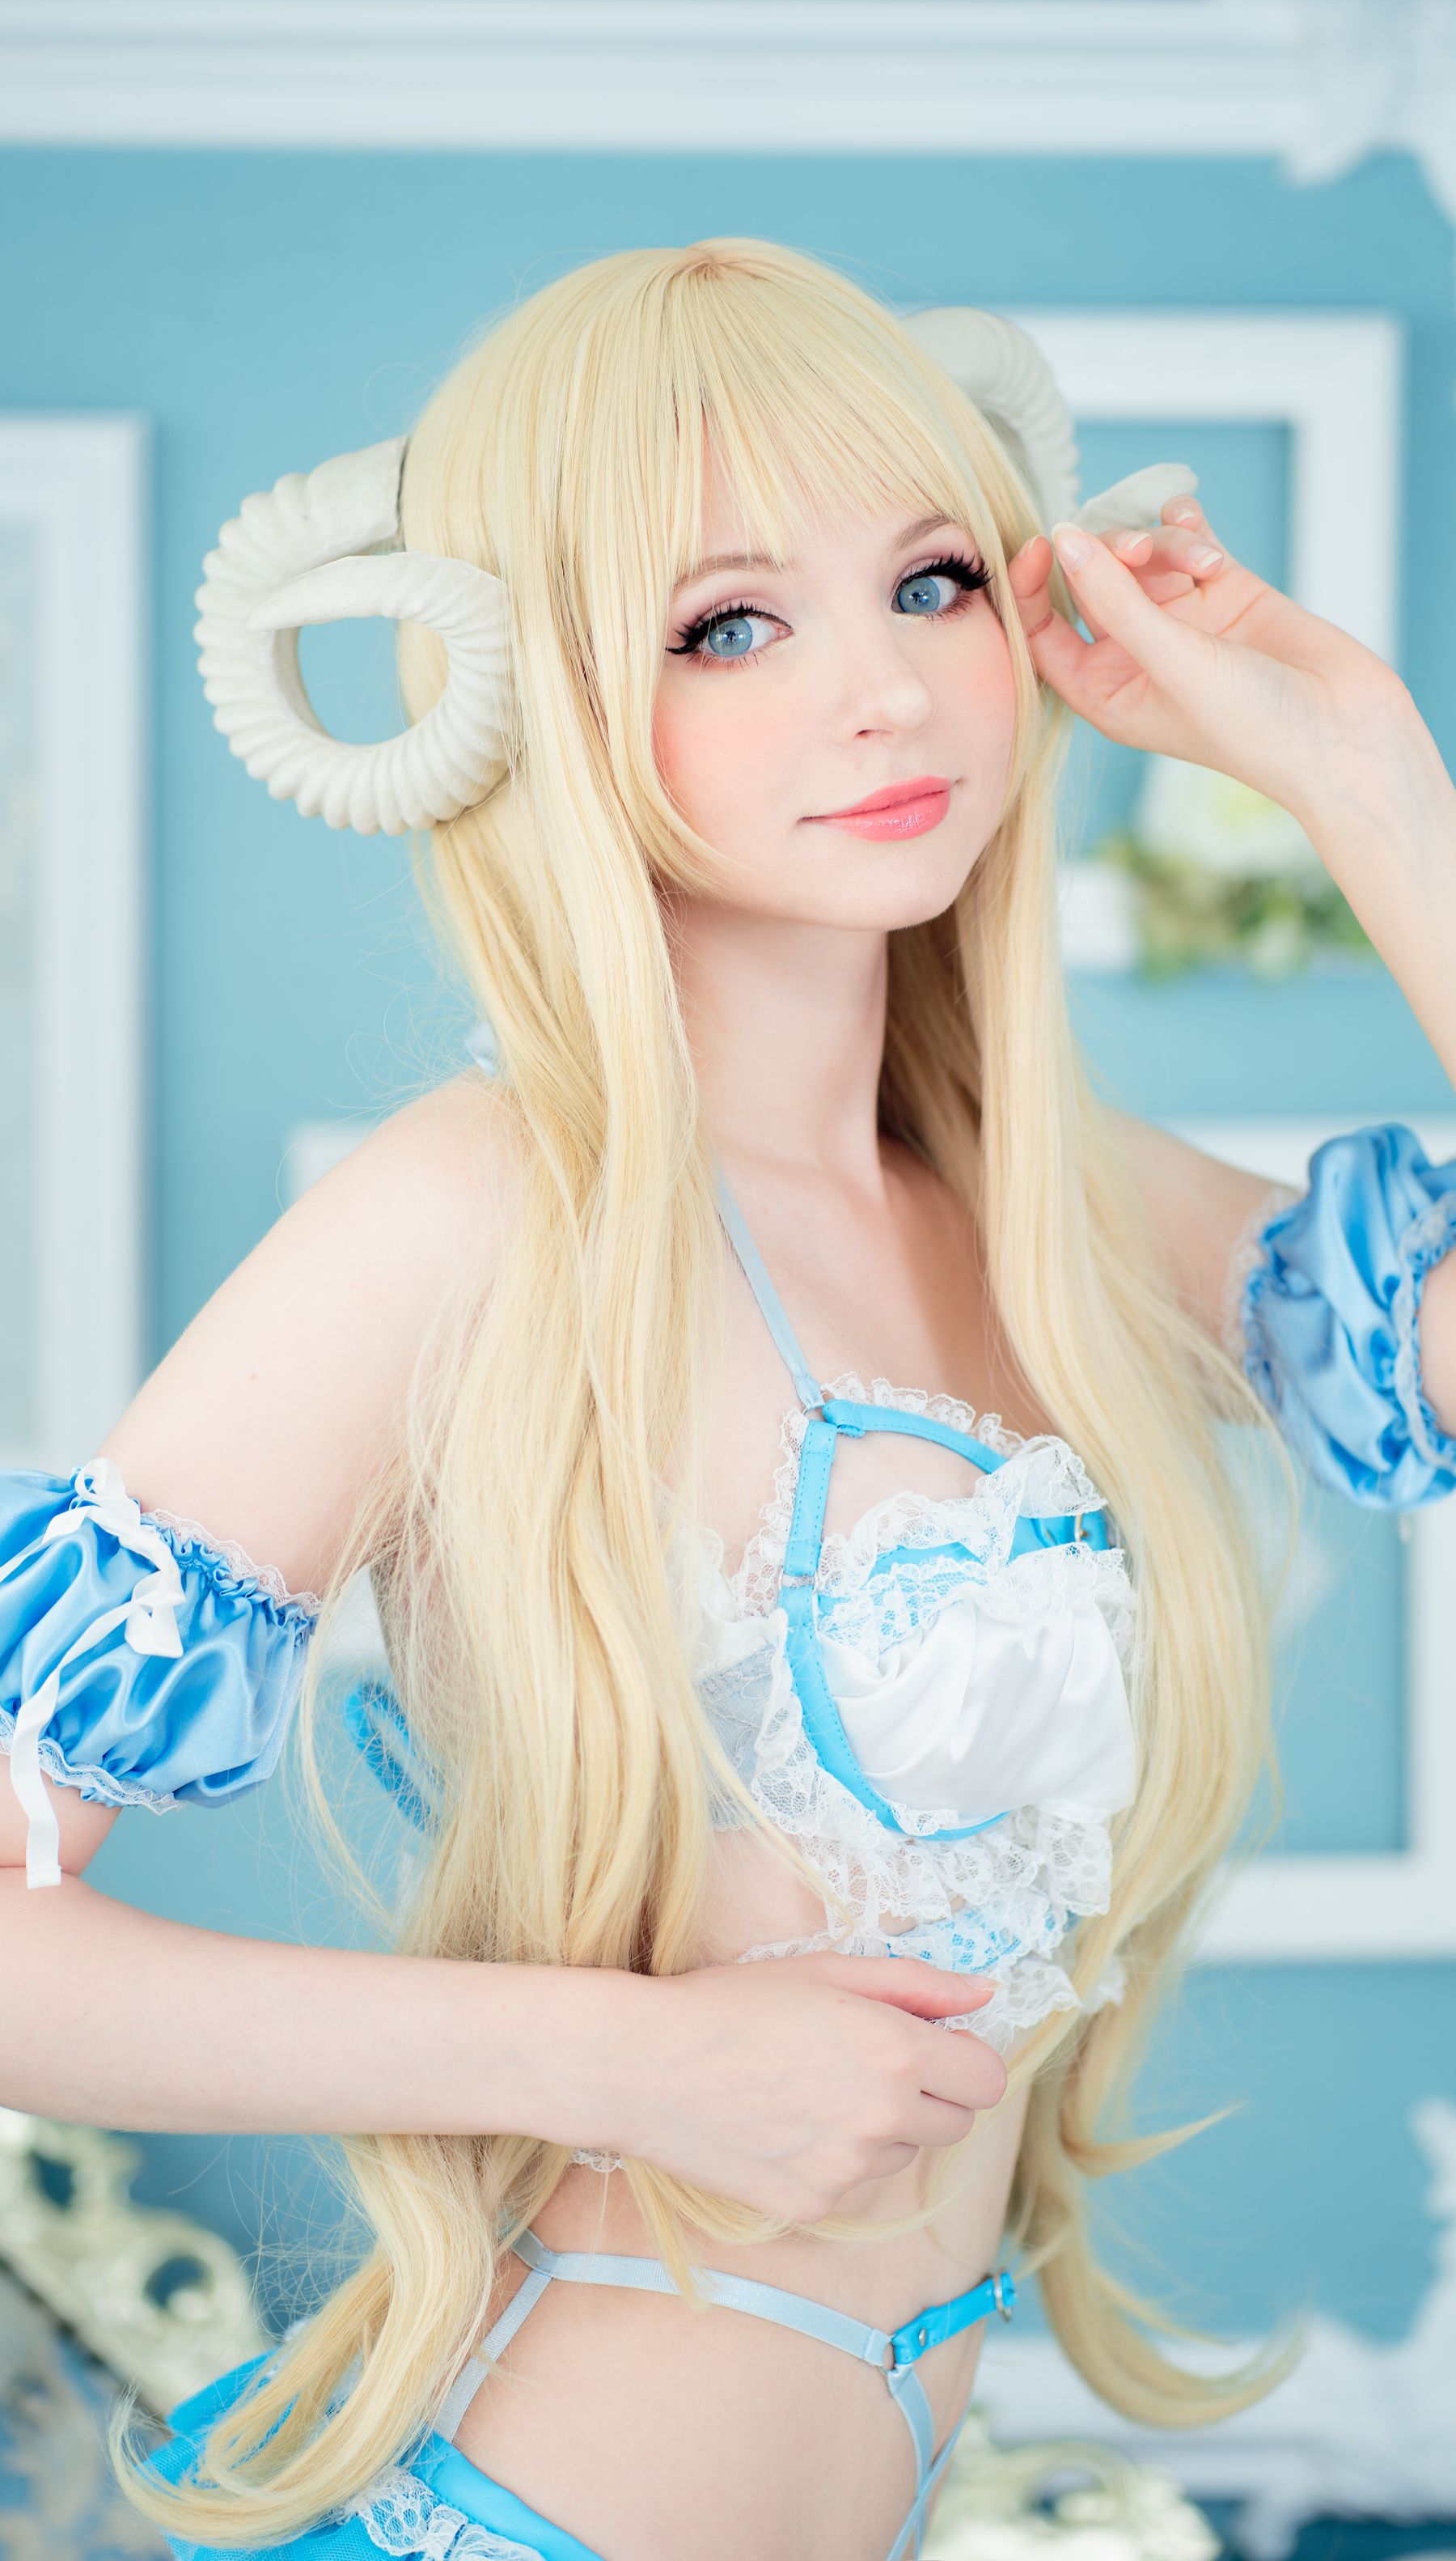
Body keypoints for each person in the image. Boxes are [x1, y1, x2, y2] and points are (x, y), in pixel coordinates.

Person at [3, 238, 1455, 2561]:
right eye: (729, 626)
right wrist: (628, 2063)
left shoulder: (1039, 1205)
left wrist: (1365, 778)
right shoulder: (480, 1213)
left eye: (932, 582)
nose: (883, 691)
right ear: (543, 690)